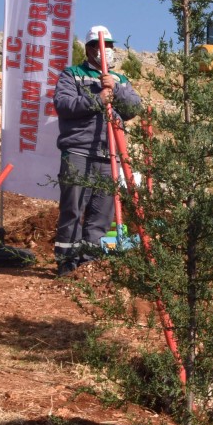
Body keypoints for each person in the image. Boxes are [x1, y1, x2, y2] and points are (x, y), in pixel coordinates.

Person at [53, 25, 142, 277]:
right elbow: (64, 104)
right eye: (103, 46)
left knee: (101, 214)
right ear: (90, 48)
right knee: (73, 209)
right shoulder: (72, 75)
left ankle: (90, 263)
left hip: (108, 156)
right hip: (79, 152)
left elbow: (134, 108)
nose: (108, 51)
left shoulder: (120, 80)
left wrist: (117, 89)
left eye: (111, 47)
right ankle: (67, 264)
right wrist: (97, 99)